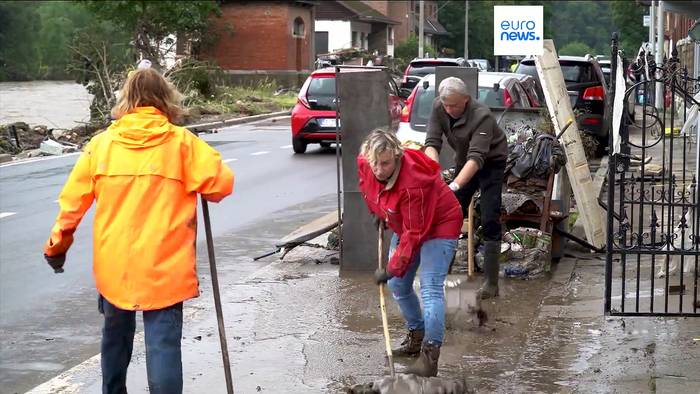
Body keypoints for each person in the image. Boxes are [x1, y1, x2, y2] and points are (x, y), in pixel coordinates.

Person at [43, 62, 234, 394]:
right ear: (164, 98)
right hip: (165, 268)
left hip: (115, 268)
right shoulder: (183, 144)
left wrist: (56, 248)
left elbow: (71, 205)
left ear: (126, 99)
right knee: (162, 348)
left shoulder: (101, 146)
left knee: (115, 340)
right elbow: (220, 186)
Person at [357, 129, 463, 377]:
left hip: (441, 223)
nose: (379, 170)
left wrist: (390, 268)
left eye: (385, 163)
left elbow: (414, 233)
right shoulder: (366, 162)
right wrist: (378, 211)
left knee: (430, 287)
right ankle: (417, 335)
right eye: (375, 163)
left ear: (397, 156)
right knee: (398, 286)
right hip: (405, 222)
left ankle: (429, 355)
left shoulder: (414, 184)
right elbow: (368, 186)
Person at [424, 77, 507, 299]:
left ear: (466, 100)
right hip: (464, 161)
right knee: (450, 215)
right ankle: (441, 275)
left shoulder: (482, 115)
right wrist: (434, 176)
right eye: (446, 105)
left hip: (491, 162)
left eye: (454, 105)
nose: (449, 109)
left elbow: (477, 158)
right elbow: (432, 142)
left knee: (490, 216)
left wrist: (453, 185)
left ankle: (491, 283)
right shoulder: (439, 107)